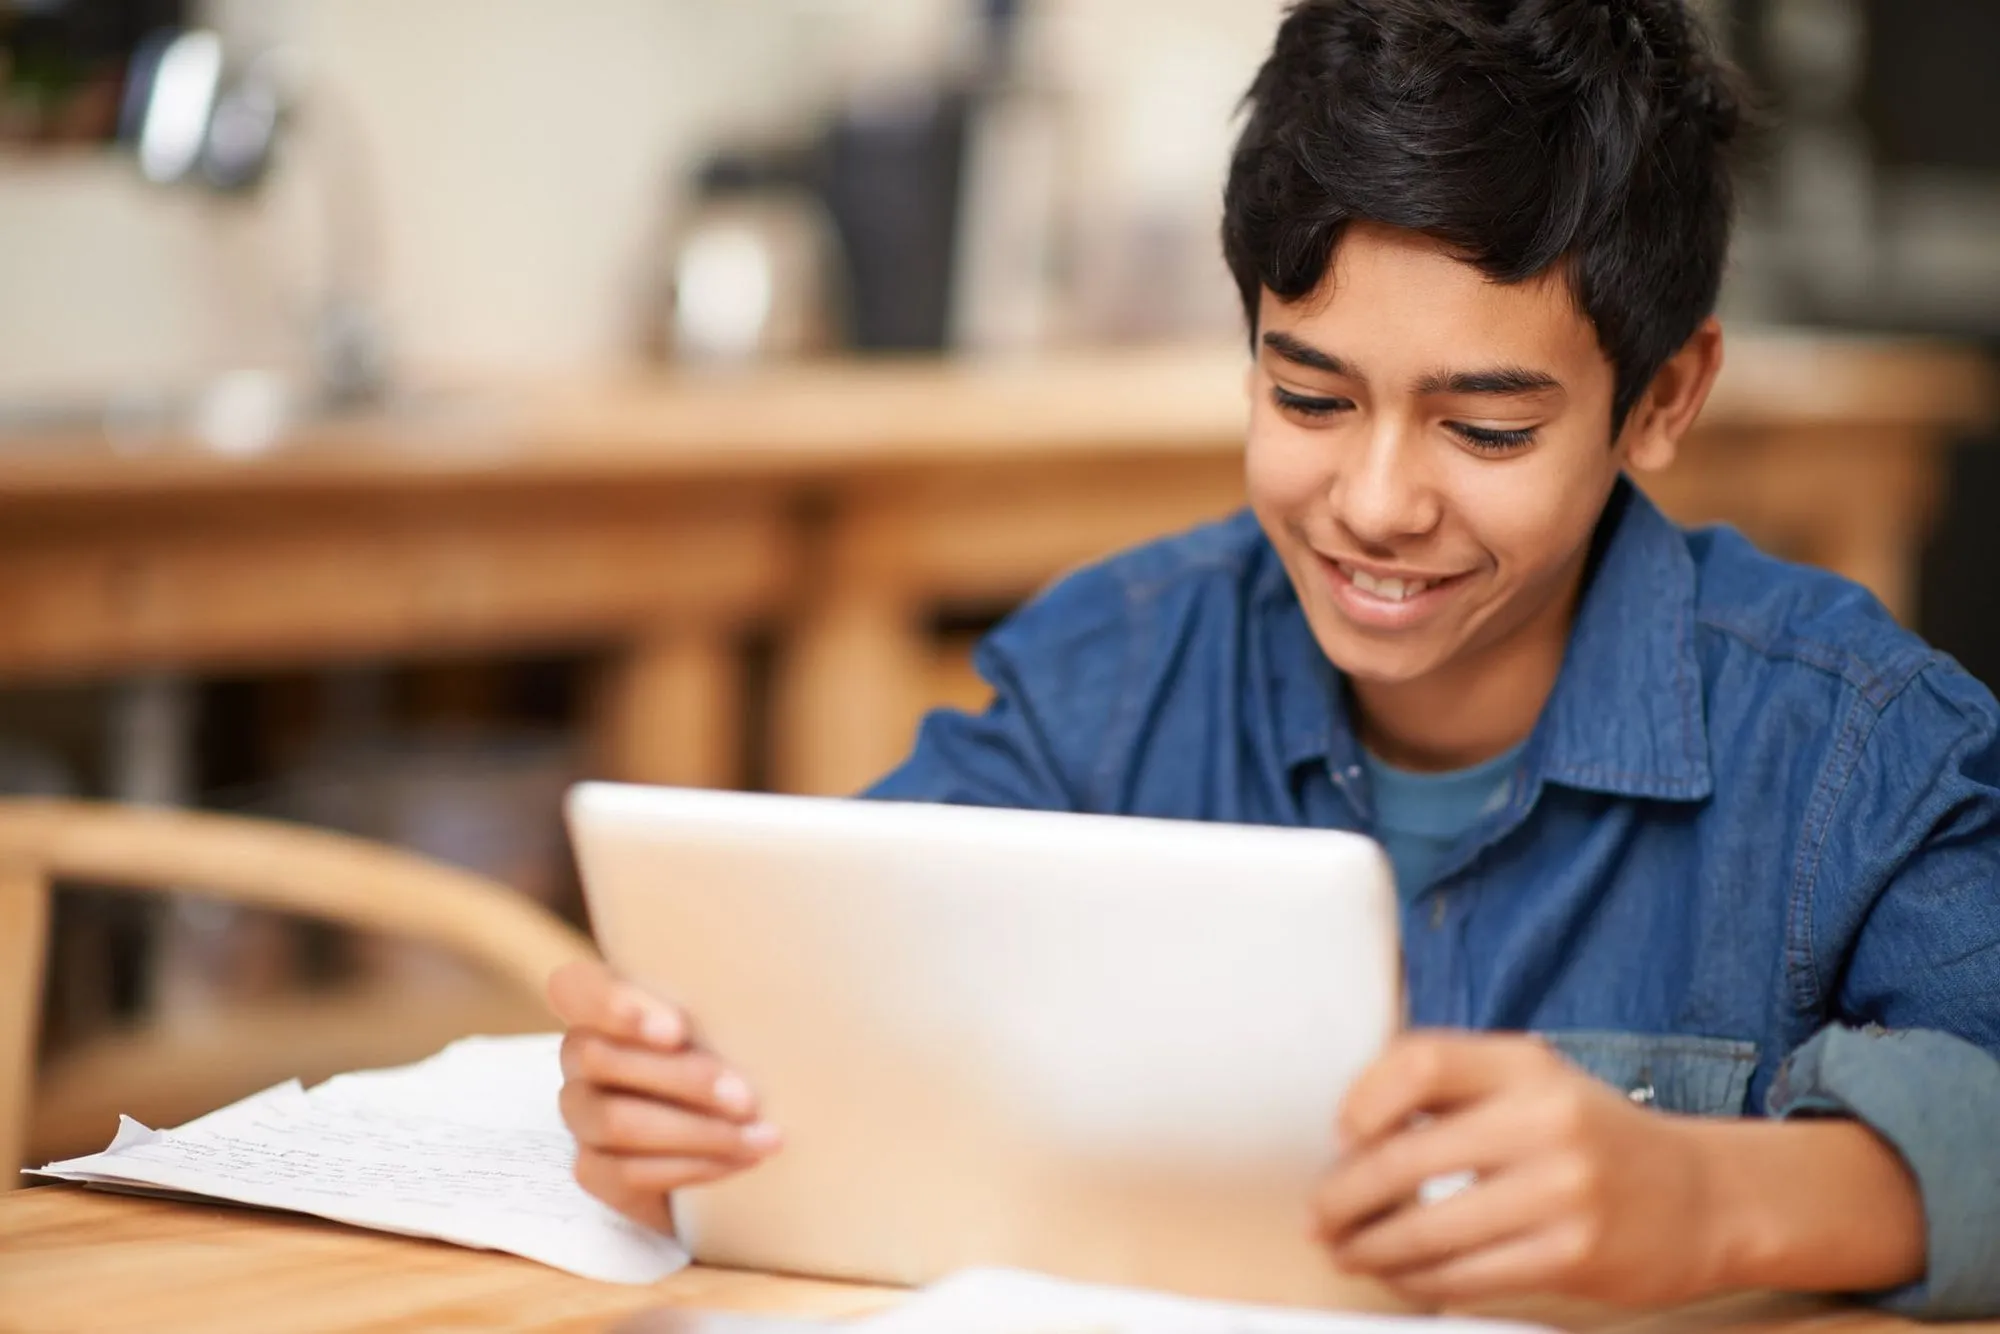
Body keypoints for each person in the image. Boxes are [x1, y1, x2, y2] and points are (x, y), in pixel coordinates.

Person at [549, 0, 2000, 1315]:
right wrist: (678, 1107)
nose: (1375, 502)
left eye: (1486, 428)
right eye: (1308, 396)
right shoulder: (1105, 684)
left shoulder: (1850, 746)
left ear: (1665, 398)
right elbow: (822, 1002)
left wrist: (1713, 1199)